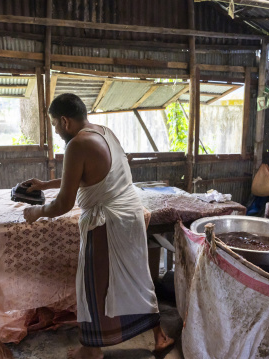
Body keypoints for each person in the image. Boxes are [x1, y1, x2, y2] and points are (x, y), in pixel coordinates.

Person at [23, 93, 174, 359]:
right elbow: (88, 174)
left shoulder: (77, 145)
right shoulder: (104, 131)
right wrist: (45, 185)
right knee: (137, 278)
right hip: (129, 215)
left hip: (108, 223)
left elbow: (63, 204)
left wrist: (36, 211)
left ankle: (91, 350)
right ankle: (159, 337)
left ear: (65, 121)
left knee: (94, 284)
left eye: (56, 125)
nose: (56, 132)